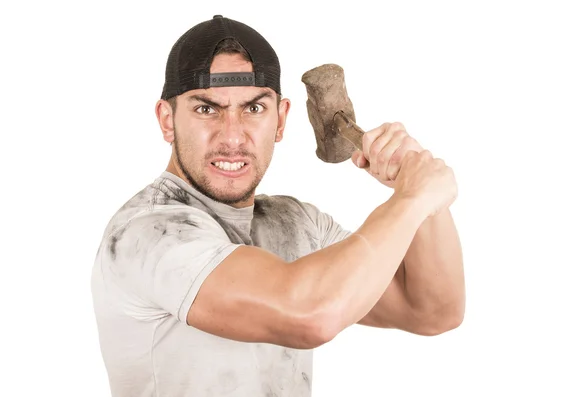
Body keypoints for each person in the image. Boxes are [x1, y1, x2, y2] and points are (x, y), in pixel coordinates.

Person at [90, 14, 465, 397]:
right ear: (167, 120)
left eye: (254, 109)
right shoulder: (147, 234)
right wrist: (411, 200)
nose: (232, 136)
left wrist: (420, 190)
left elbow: (432, 310)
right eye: (207, 109)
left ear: (281, 120)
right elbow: (309, 315)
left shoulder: (296, 223)